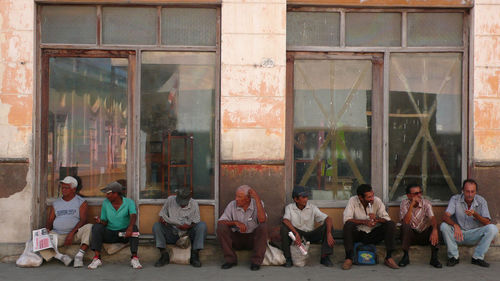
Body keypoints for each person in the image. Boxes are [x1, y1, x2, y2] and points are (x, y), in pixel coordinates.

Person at [440, 179, 498, 267]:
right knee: (443, 226)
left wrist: (475, 214)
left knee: (493, 229)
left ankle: (477, 257)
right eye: (467, 191)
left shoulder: (481, 201)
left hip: (474, 234)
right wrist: (455, 225)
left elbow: (487, 222)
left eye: (472, 191)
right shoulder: (455, 199)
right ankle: (453, 257)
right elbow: (445, 216)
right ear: (462, 191)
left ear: (476, 192)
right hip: (458, 234)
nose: (470, 194)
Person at [342, 184, 399, 270]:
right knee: (348, 225)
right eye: (369, 197)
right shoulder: (353, 200)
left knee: (391, 224)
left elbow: (387, 218)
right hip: (359, 234)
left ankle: (389, 257)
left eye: (372, 195)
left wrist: (377, 219)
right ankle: (349, 258)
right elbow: (346, 219)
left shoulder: (377, 201)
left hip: (373, 234)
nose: (372, 198)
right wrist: (364, 222)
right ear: (360, 198)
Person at [88, 182, 142, 269]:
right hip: (110, 233)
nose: (106, 196)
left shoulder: (128, 202)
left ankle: (134, 258)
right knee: (96, 227)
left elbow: (133, 215)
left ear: (116, 193)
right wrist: (100, 221)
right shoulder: (106, 203)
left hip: (124, 234)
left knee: (134, 229)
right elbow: (105, 222)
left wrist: (130, 227)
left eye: (108, 193)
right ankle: (97, 258)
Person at [42, 176, 92, 267]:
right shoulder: (56, 203)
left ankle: (79, 256)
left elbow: (83, 220)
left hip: (75, 234)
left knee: (90, 227)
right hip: (58, 235)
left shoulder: (81, 202)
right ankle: (61, 257)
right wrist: (47, 228)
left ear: (73, 189)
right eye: (62, 187)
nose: (63, 190)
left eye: (66, 188)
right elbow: (50, 220)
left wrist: (71, 233)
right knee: (40, 241)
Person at [280, 185, 335, 267]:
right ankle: (288, 258)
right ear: (296, 199)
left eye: (306, 197)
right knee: (284, 227)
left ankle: (325, 257)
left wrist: (329, 233)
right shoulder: (290, 208)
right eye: (303, 197)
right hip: (297, 235)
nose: (306, 199)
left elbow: (328, 218)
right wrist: (296, 233)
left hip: (310, 235)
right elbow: (285, 220)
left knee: (328, 225)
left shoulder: (312, 208)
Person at [152, 187, 207, 267]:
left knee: (202, 225)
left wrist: (188, 227)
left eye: (184, 203)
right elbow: (161, 216)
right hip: (173, 233)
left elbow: (196, 222)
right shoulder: (170, 200)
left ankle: (195, 255)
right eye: (180, 202)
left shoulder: (194, 203)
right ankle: (164, 255)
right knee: (156, 226)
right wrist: (163, 221)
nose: (182, 204)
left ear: (189, 198)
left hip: (187, 235)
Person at [217, 185, 267, 271]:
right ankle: (230, 260)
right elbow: (220, 222)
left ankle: (256, 262)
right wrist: (235, 222)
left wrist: (257, 198)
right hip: (237, 239)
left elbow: (262, 220)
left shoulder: (257, 203)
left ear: (248, 198)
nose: (236, 199)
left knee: (263, 227)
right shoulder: (232, 204)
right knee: (221, 227)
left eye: (239, 196)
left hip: (252, 240)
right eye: (236, 196)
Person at [398, 183, 442, 268]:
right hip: (411, 235)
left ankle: (434, 258)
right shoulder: (404, 203)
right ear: (408, 195)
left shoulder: (426, 203)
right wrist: (411, 206)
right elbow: (405, 222)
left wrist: (435, 230)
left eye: (420, 192)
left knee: (437, 227)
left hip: (423, 234)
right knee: (405, 226)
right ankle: (405, 256)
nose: (419, 195)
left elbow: (432, 218)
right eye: (415, 193)